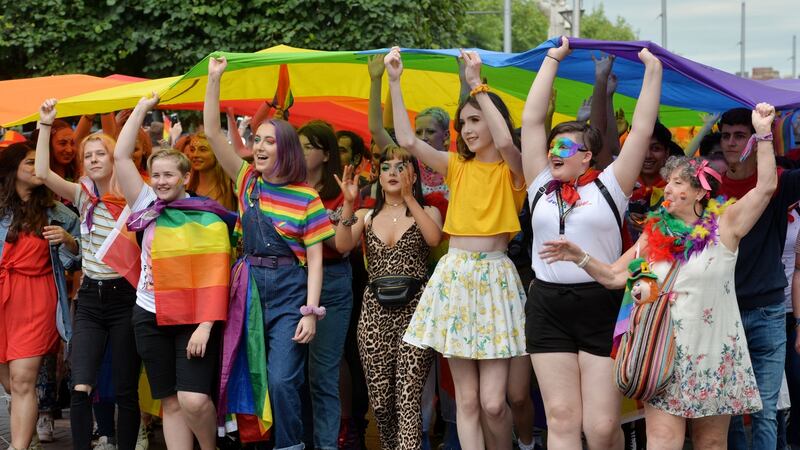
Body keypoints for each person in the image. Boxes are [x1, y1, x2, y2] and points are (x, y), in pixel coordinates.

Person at [539, 103, 777, 448]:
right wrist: (580, 256)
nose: (667, 189)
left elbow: (767, 187)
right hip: (662, 354)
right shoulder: (652, 235)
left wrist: (765, 134)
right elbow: (612, 277)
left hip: (714, 355)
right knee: (663, 440)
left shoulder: (727, 225)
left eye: (678, 183)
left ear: (700, 193)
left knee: (711, 443)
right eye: (668, 183)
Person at [520, 37, 662, 450]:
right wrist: (552, 58)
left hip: (602, 305)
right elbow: (531, 122)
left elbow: (641, 128)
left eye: (565, 146)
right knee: (562, 420)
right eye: (552, 145)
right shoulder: (541, 185)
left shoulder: (610, 185)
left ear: (587, 156)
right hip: (547, 306)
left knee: (601, 428)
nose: (553, 152)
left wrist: (652, 69)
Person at [387, 47, 527, 448]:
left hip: (496, 277)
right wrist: (396, 81)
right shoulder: (456, 165)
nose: (466, 128)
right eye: (462, 121)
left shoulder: (513, 169)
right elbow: (407, 139)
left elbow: (504, 139)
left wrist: (477, 85)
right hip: (455, 275)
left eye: (475, 119)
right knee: (466, 401)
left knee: (494, 404)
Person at [204, 56, 334, 450]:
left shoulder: (307, 198)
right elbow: (212, 132)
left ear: (286, 149)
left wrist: (311, 313)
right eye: (255, 139)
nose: (257, 147)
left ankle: (290, 445)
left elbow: (315, 261)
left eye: (267, 141)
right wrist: (214, 79)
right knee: (248, 375)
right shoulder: (247, 181)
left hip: (290, 293)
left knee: (281, 380)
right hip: (249, 288)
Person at [116, 94, 233, 450]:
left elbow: (218, 273)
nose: (162, 181)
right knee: (169, 401)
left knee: (193, 399)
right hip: (149, 314)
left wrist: (207, 324)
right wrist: (141, 108)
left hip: (195, 319)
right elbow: (121, 156)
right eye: (156, 175)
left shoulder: (209, 214)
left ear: (185, 177)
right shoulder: (146, 206)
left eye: (169, 175)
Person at [34, 99, 142, 450]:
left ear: (115, 159)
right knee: (81, 383)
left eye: (101, 154)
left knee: (125, 388)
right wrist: (46, 125)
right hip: (91, 300)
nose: (94, 159)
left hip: (126, 298)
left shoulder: (131, 197)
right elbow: (42, 172)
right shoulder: (82, 196)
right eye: (89, 154)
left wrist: (134, 115)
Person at [334, 146, 443, 448]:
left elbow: (434, 239)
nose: (393, 173)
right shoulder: (364, 215)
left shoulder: (429, 211)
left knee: (408, 399)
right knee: (381, 405)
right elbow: (342, 244)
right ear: (378, 176)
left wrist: (409, 197)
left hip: (416, 312)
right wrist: (347, 202)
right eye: (386, 167)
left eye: (401, 166)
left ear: (413, 174)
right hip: (374, 314)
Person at [718, 106, 800, 449]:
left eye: (740, 135)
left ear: (755, 139)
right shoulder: (706, 186)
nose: (731, 143)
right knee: (730, 411)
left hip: (767, 311)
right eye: (725, 136)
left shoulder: (779, 183)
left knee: (766, 411)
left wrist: (770, 130)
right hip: (721, 311)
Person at [0, 142, 80, 450]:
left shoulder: (56, 211)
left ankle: (18, 446)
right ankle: (26, 429)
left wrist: (71, 242)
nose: (38, 168)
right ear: (12, 170)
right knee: (11, 383)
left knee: (22, 380)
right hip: (3, 295)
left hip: (35, 297)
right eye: (31, 163)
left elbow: (86, 255)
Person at [297, 120, 353, 450]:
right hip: (293, 283)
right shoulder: (287, 187)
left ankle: (327, 445)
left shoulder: (338, 193)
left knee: (322, 376)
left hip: (331, 283)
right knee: (291, 375)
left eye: (308, 146)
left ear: (326, 153)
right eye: (298, 145)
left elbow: (342, 246)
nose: (300, 151)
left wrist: (326, 221)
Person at [627, 122, 674, 240]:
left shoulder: (677, 191)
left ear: (666, 153)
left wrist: (657, 230)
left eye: (656, 148)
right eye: (642, 148)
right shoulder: (623, 185)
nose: (648, 155)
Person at [186, 132, 235, 210]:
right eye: (192, 150)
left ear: (217, 152)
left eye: (203, 150)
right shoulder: (184, 184)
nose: (195, 155)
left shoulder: (230, 186)